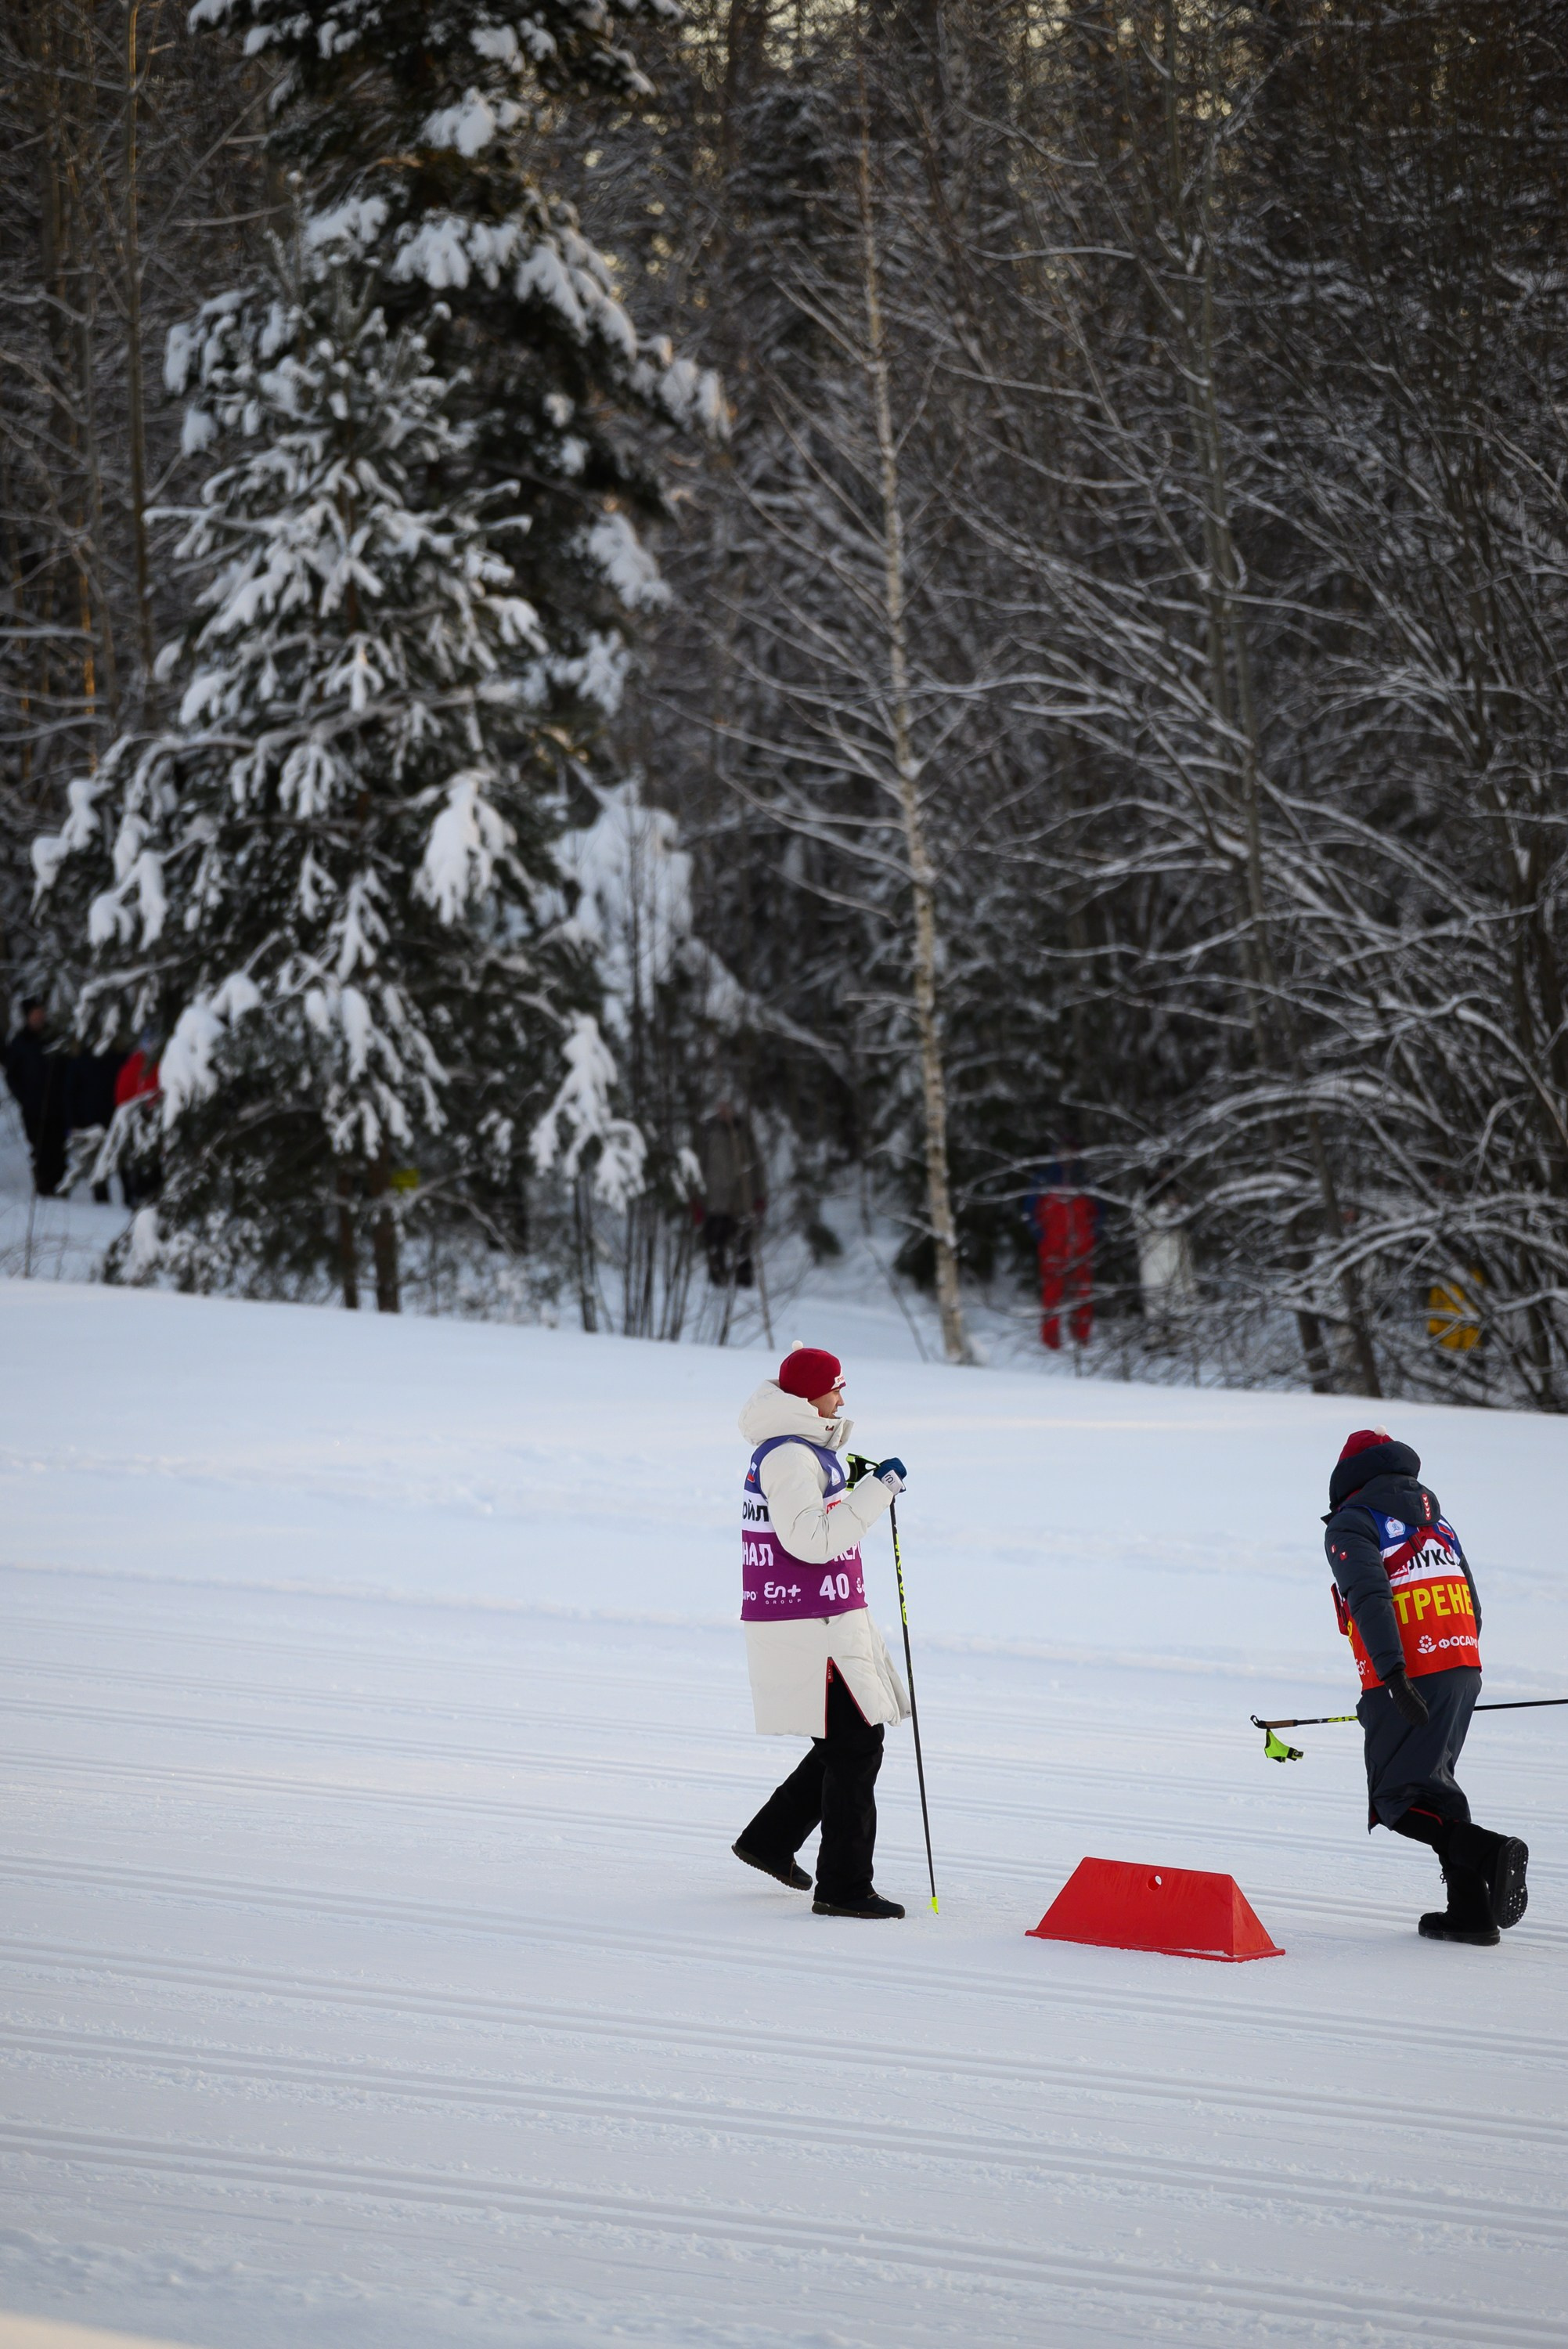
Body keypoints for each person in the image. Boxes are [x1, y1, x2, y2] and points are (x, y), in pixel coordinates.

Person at [1325, 1426, 1528, 1945]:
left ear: (1347, 1477)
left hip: (1406, 1673)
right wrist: (1459, 1668)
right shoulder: (1438, 1522)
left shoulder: (1352, 1521)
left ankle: (1487, 1851)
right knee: (1434, 1784)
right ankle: (1469, 1913)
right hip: (1460, 1662)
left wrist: (1394, 1676)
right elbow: (1473, 1602)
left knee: (1394, 1797)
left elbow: (1369, 1597)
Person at [732, 1343, 910, 1919]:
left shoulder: (801, 1451)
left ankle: (767, 1841)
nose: (842, 1395)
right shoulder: (788, 1456)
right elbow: (810, 1542)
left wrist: (848, 1485)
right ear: (811, 1396)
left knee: (844, 1745)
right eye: (836, 1385)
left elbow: (816, 1516)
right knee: (856, 1747)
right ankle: (843, 1887)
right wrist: (874, 1493)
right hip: (808, 1627)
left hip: (822, 1618)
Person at [1026, 1157, 1097, 1349]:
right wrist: (1041, 1235)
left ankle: (1082, 1337)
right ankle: (1051, 1340)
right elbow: (1030, 1211)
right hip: (1053, 1247)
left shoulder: (1084, 1179)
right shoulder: (1044, 1179)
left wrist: (1093, 1235)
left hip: (1081, 1247)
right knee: (1052, 1295)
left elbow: (1099, 1213)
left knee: (1082, 1294)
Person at [2, 998, 67, 1196]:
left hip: (57, 1107)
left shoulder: (54, 1037)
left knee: (59, 1150)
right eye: (35, 1014)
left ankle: (60, 1185)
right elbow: (11, 1075)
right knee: (40, 1149)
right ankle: (44, 1188)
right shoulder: (20, 1042)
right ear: (28, 1017)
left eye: (41, 1013)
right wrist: (24, 1097)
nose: (39, 1017)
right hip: (33, 1108)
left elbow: (67, 1068)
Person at [700, 1101, 763, 1288]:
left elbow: (756, 1165)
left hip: (741, 1199)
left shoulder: (743, 1131)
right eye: (720, 1107)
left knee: (742, 1242)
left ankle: (744, 1282)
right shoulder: (708, 1131)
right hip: (715, 1199)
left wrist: (759, 1196)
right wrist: (696, 1198)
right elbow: (700, 1164)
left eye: (728, 1107)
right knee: (715, 1241)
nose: (724, 1111)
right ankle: (717, 1281)